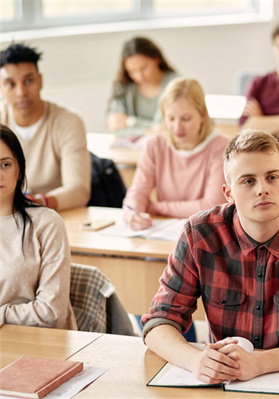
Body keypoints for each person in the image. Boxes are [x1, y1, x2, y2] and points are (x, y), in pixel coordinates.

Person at [141, 130, 279, 384]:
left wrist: (260, 364)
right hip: (227, 380)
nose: (263, 189)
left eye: (272, 177)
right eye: (248, 181)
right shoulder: (198, 234)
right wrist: (195, 360)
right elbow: (158, 323)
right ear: (228, 193)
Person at [122, 77, 229, 230]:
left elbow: (211, 207)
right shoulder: (155, 145)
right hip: (166, 232)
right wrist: (132, 212)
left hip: (206, 233)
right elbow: (138, 192)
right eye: (171, 118)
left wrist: (157, 207)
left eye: (186, 119)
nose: (177, 127)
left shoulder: (221, 147)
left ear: (203, 115)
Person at [0, 124, 77, 330]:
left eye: (5, 165)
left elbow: (51, 313)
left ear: (19, 170)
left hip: (39, 347)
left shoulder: (47, 224)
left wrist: (2, 314)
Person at [0, 43, 90, 211]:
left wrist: (36, 203)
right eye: (11, 84)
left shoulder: (68, 122)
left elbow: (79, 190)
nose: (21, 92)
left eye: (28, 81)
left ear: (40, 81)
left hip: (56, 215)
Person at [107, 37, 178, 135]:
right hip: (128, 149)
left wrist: (130, 122)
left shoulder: (176, 85)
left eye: (143, 68)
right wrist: (150, 130)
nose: (139, 76)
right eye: (132, 71)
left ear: (156, 59)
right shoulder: (124, 86)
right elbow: (115, 126)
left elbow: (166, 128)